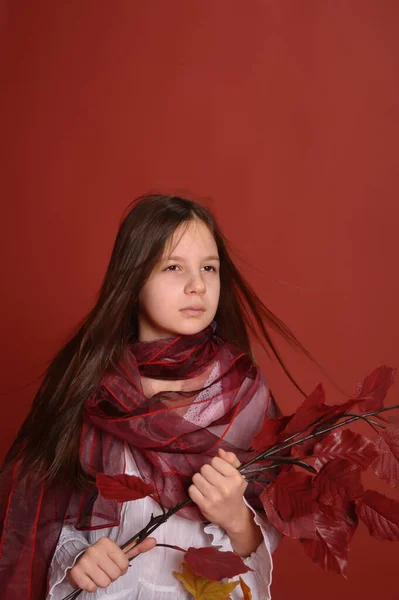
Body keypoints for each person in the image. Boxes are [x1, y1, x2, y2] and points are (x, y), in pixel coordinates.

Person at [0, 194, 313, 600]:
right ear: (132, 282)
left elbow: (259, 538)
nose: (197, 284)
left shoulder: (244, 393)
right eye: (172, 267)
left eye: (209, 268)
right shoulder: (87, 385)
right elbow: (38, 516)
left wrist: (237, 519)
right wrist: (75, 559)